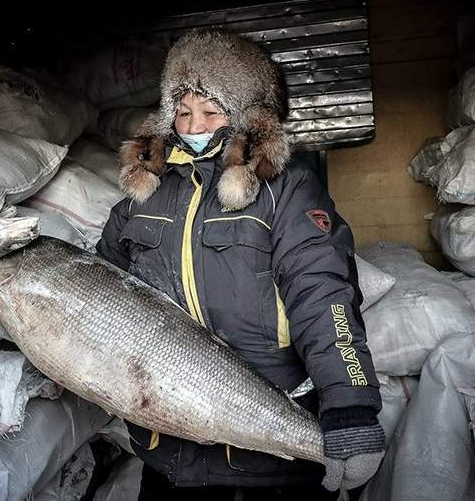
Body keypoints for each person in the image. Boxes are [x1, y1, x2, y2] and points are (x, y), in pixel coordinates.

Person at [96, 29, 384, 500]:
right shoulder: (143, 195)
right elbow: (105, 292)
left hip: (274, 452)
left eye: (211, 111)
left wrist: (350, 404)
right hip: (171, 449)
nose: (194, 126)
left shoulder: (286, 189)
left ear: (249, 114)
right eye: (183, 112)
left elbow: (323, 295)